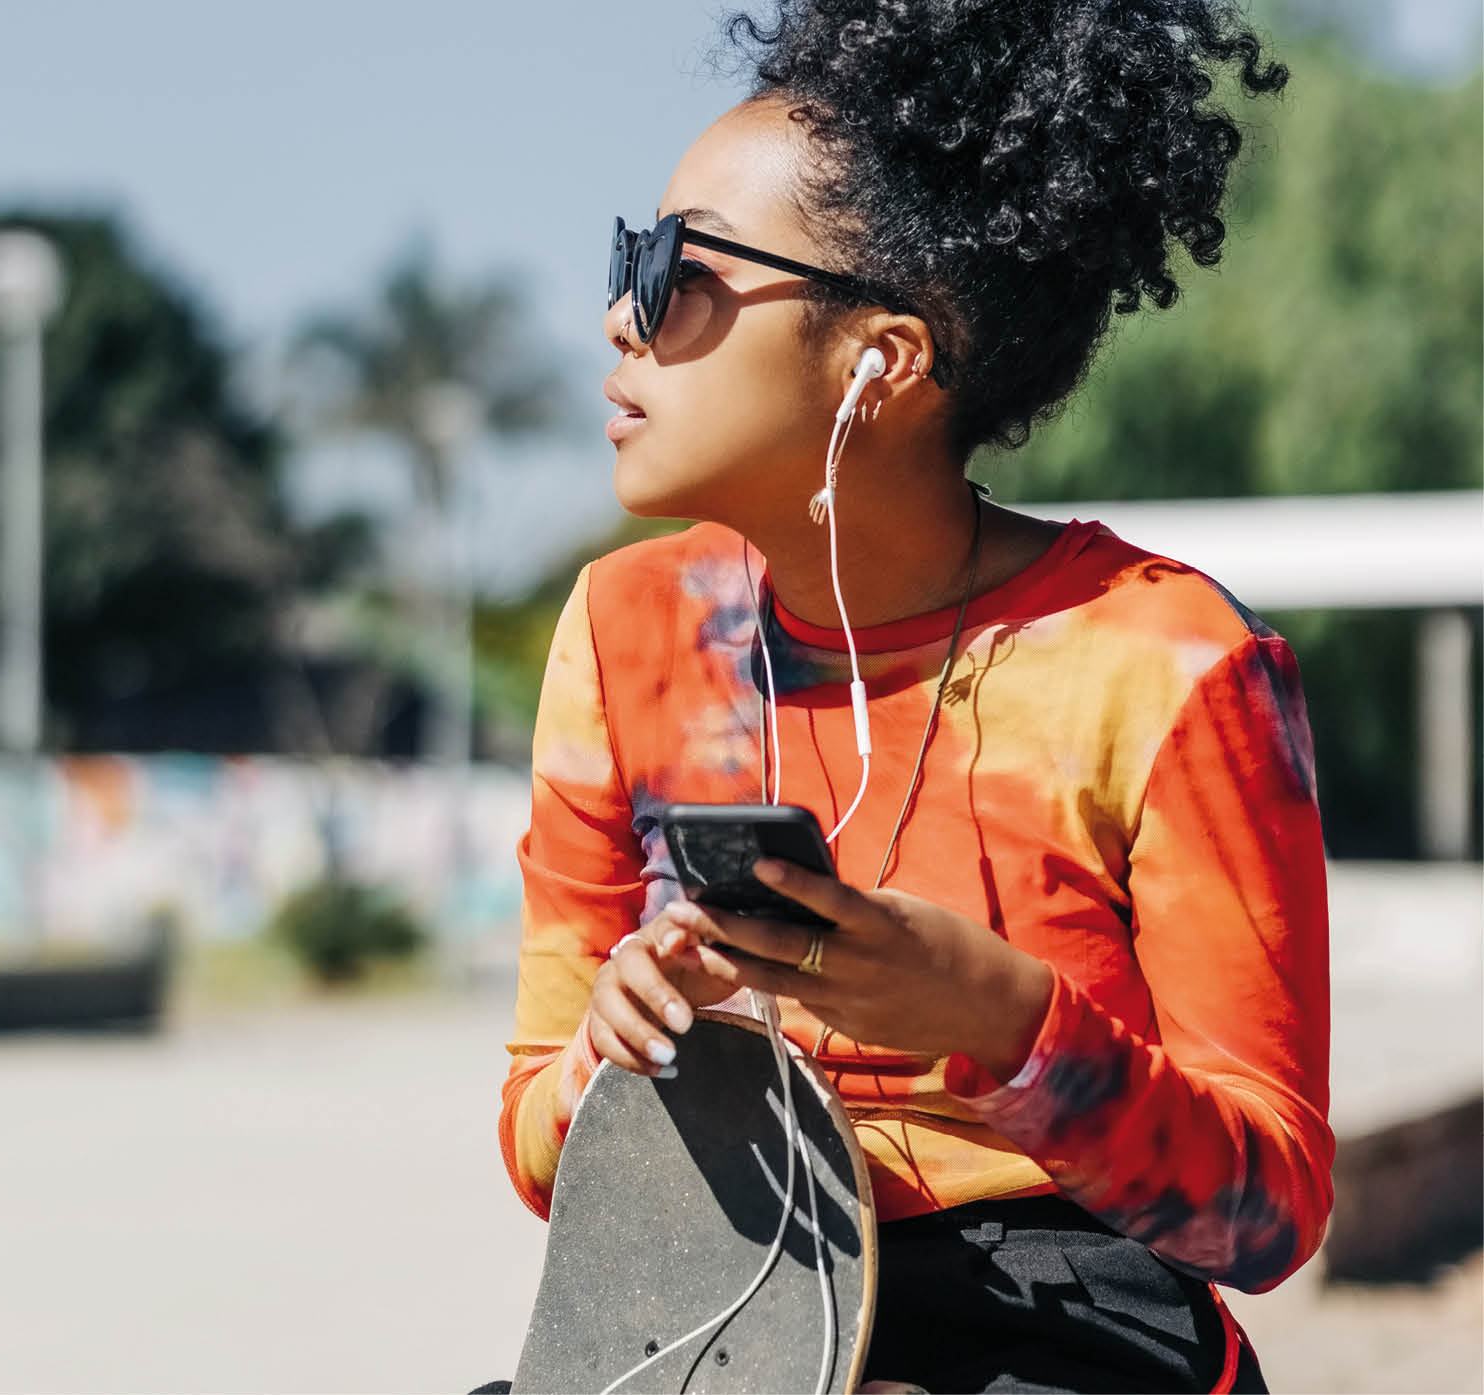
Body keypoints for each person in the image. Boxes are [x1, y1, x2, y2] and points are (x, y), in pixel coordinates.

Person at [494, 2, 1330, 1390]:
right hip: (726, 1305)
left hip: (1071, 1327)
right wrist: (614, 1047)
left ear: (881, 360)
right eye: (627, 258)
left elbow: (1267, 1209)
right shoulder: (623, 629)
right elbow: (536, 1146)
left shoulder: (1173, 663)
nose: (618, 315)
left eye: (676, 271)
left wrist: (1003, 1025)